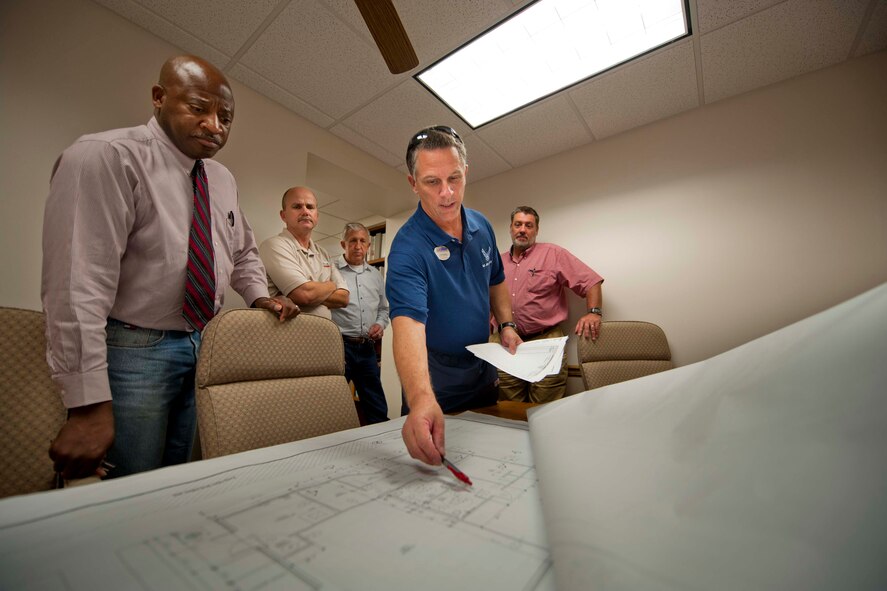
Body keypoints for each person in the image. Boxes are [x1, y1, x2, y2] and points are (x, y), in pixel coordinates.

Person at [42, 55, 299, 481]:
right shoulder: (106, 157)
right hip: (132, 349)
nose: (215, 125)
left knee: (175, 477)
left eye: (226, 117)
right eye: (199, 107)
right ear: (159, 98)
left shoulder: (222, 179)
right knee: (127, 483)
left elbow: (243, 252)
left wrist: (259, 295)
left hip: (203, 343)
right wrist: (86, 405)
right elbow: (76, 284)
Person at [386, 125, 522, 466]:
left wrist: (506, 323)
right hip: (436, 383)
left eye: (455, 178)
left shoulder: (482, 226)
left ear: (466, 173)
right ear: (413, 183)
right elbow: (408, 324)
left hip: (484, 372)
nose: (447, 193)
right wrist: (420, 399)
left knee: (494, 462)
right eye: (432, 182)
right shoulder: (407, 248)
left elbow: (496, 280)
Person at [494, 205, 604, 403]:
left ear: (536, 230)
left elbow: (591, 281)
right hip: (505, 342)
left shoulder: (553, 254)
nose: (522, 230)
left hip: (545, 340)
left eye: (529, 225)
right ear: (510, 228)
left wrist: (594, 313)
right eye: (518, 224)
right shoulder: (497, 262)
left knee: (545, 405)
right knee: (508, 404)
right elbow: (487, 298)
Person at [330, 223, 390, 424]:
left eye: (362, 241)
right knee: (330, 403)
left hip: (367, 350)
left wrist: (380, 325)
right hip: (339, 348)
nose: (358, 246)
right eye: (352, 240)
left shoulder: (375, 276)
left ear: (369, 245)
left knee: (376, 405)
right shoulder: (330, 270)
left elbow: (384, 309)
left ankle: (380, 446)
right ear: (343, 244)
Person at [259, 186, 349, 319]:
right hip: (287, 335)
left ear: (316, 215)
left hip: (323, 335)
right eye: (297, 206)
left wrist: (313, 292)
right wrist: (331, 285)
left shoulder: (323, 253)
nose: (305, 211)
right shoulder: (274, 245)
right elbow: (304, 295)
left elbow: (344, 298)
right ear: (283, 215)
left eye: (310, 207)